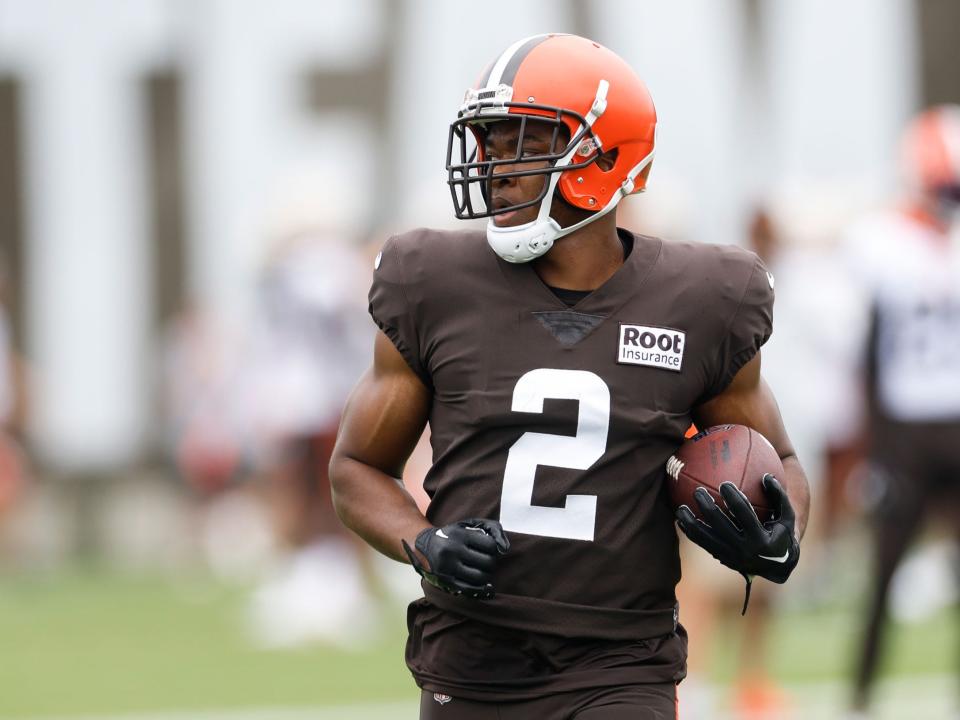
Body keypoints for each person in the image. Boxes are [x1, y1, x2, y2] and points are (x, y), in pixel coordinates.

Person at [330, 33, 810, 719]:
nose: (494, 167)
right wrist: (423, 540)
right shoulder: (430, 282)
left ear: (602, 156)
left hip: (621, 664)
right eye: (487, 143)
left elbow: (781, 461)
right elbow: (355, 467)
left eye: (519, 141)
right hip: (471, 662)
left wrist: (779, 530)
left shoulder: (705, 298)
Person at [843, 105, 960, 717]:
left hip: (955, 420)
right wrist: (873, 448)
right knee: (884, 569)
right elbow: (864, 354)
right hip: (906, 428)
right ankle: (861, 695)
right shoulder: (879, 242)